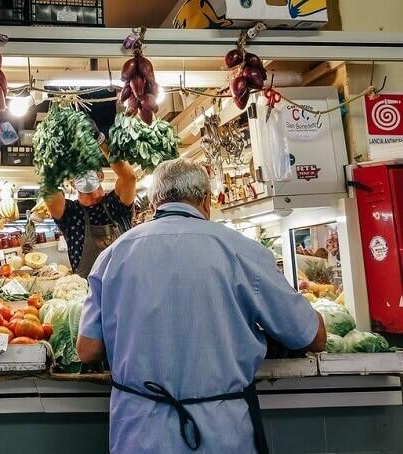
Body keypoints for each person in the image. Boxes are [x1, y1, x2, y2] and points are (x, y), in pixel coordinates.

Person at [77, 159, 326, 454]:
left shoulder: (112, 256)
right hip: (221, 434)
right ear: (206, 201)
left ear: (156, 201)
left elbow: (88, 350)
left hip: (139, 434)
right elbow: (312, 336)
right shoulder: (244, 252)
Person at [45, 128, 136, 278]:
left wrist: (100, 140)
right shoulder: (69, 213)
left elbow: (129, 178)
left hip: (125, 289)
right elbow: (48, 190)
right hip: (87, 294)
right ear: (72, 183)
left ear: (100, 176)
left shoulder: (116, 204)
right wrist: (54, 150)